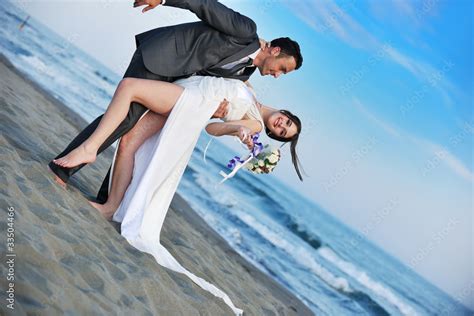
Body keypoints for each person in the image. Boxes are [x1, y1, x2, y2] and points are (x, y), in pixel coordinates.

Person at [53, 73, 303, 316]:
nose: (281, 126)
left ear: (272, 135)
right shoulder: (253, 92)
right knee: (130, 140)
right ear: (286, 114)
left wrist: (238, 130)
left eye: (282, 133)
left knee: (131, 102)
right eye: (287, 123)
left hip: (191, 107)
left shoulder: (255, 124)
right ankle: (112, 205)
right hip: (191, 90)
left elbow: (213, 128)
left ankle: (110, 205)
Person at [48, 0, 303, 206]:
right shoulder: (246, 31)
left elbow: (209, 84)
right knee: (126, 118)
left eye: (283, 74)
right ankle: (64, 169)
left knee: (135, 133)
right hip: (162, 55)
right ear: (275, 51)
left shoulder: (244, 75)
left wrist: (218, 110)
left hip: (175, 83)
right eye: (282, 68)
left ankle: (107, 198)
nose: (278, 75)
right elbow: (204, 5)